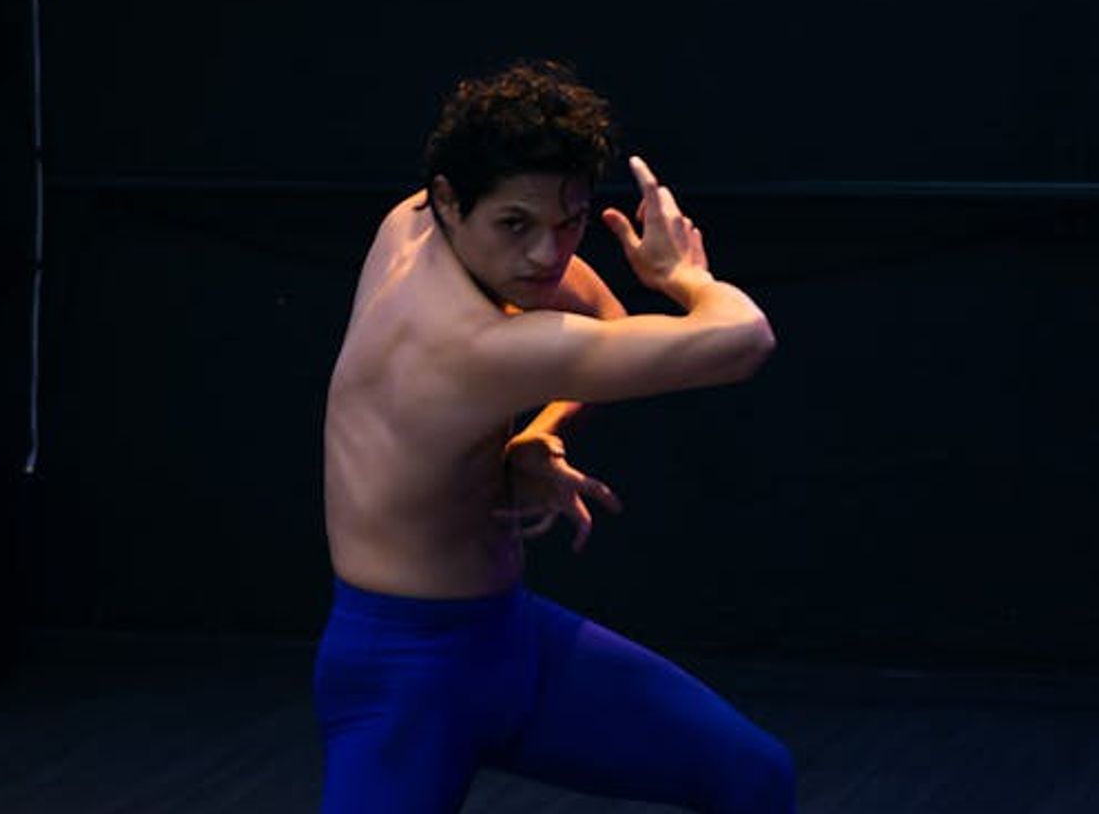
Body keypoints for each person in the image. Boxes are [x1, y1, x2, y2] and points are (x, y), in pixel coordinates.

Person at [315, 60, 795, 813]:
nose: (547, 253)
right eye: (516, 225)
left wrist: (536, 438)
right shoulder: (467, 346)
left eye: (567, 221)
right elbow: (744, 338)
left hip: (510, 640)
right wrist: (683, 277)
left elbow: (598, 314)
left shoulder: (413, 221)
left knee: (757, 776)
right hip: (402, 676)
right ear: (448, 200)